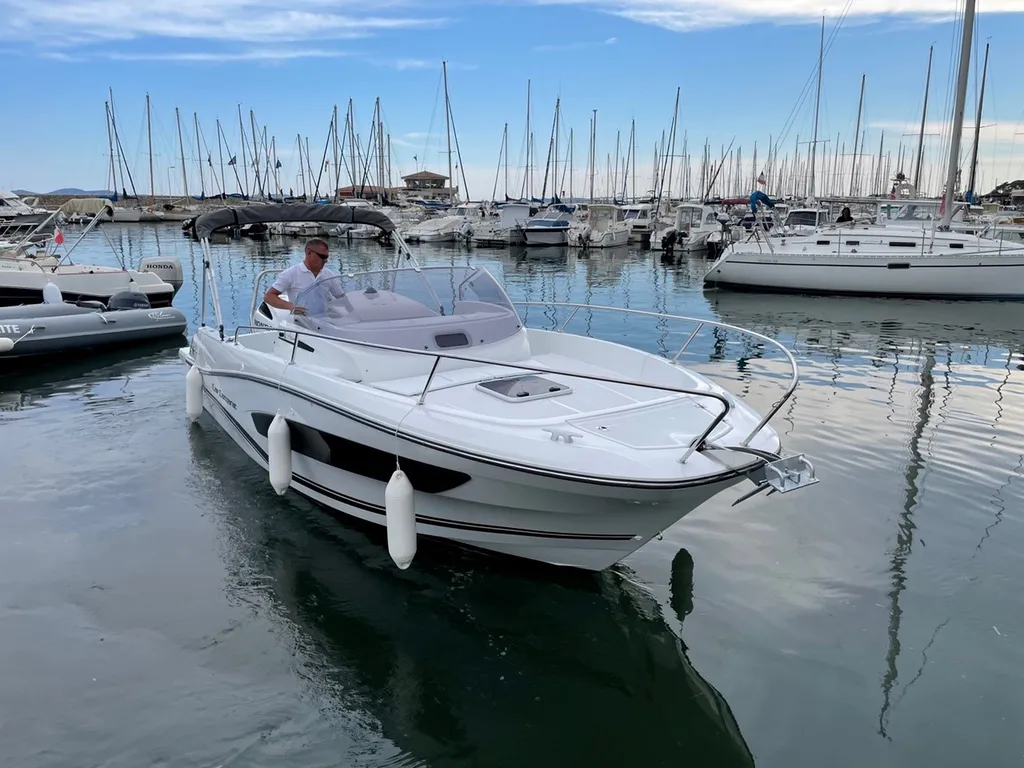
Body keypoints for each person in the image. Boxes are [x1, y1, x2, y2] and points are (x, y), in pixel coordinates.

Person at [264, 238, 342, 316]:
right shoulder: (291, 274)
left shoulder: (329, 274)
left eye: (327, 257)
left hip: (325, 320)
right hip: (301, 321)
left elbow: (341, 297)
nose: (326, 260)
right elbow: (269, 296)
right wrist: (291, 306)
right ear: (309, 253)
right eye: (322, 256)